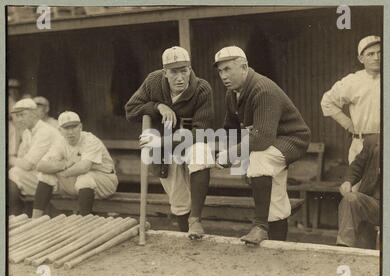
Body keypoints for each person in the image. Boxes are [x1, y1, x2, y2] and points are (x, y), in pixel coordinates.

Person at [214, 46, 311, 244]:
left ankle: (260, 227)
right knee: (275, 196)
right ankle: (277, 247)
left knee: (260, 158)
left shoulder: (263, 89)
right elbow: (231, 128)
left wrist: (232, 154)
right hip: (270, 140)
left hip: (291, 140)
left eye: (228, 69)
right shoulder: (232, 93)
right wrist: (232, 153)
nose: (223, 75)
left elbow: (262, 138)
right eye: (220, 71)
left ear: (244, 66)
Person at [125, 46, 214, 238]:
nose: (180, 77)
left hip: (187, 143)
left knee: (201, 153)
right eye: (174, 72)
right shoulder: (153, 81)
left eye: (184, 70)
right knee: (178, 197)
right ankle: (188, 236)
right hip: (164, 151)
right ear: (165, 72)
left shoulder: (202, 88)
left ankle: (195, 221)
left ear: (190, 69)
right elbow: (131, 110)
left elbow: (200, 133)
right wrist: (158, 106)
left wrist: (161, 143)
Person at [32, 111, 118, 218]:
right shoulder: (60, 142)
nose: (70, 132)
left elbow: (84, 167)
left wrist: (63, 173)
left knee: (85, 178)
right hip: (77, 182)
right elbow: (40, 166)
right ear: (60, 130)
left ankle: (83, 222)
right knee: (45, 176)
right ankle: (34, 219)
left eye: (74, 127)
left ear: (80, 127)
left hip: (105, 180)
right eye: (66, 128)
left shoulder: (90, 140)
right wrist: (63, 165)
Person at [321, 35, 380, 164]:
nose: (377, 57)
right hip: (361, 143)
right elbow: (327, 102)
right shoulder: (353, 81)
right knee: (356, 183)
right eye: (370, 54)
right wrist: (348, 124)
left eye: (380, 52)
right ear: (361, 59)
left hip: (386, 144)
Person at [8, 98, 61, 215]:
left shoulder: (45, 132)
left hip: (57, 179)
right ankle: (15, 214)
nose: (19, 119)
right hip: (38, 176)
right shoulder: (27, 132)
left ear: (34, 114)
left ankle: (14, 214)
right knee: (14, 172)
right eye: (17, 116)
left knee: (13, 174)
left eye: (23, 115)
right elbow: (22, 160)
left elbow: (27, 165)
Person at [337, 134, 380, 248]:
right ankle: (344, 248)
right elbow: (357, 166)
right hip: (374, 203)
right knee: (350, 199)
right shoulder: (373, 141)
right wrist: (348, 181)